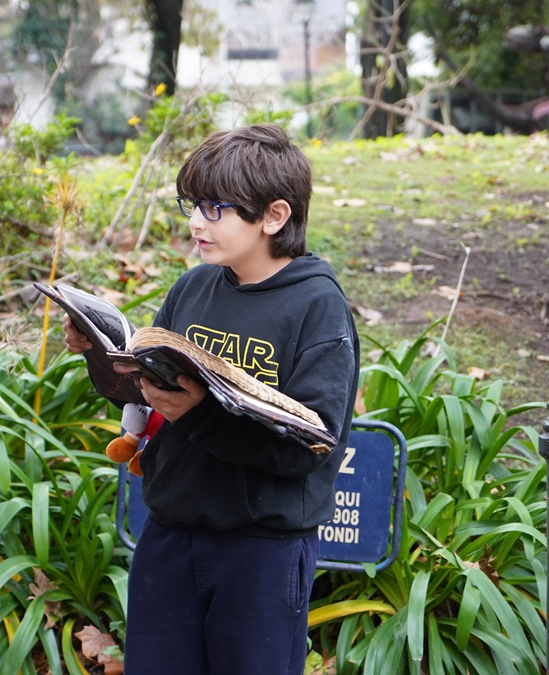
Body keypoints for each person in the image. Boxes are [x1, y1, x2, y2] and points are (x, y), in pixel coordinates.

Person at [63, 123, 360, 675]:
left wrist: (200, 416)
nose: (197, 222)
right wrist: (99, 355)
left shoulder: (317, 307)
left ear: (274, 216)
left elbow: (309, 446)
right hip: (170, 536)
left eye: (215, 209)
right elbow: (147, 394)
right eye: (192, 206)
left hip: (262, 551)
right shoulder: (194, 287)